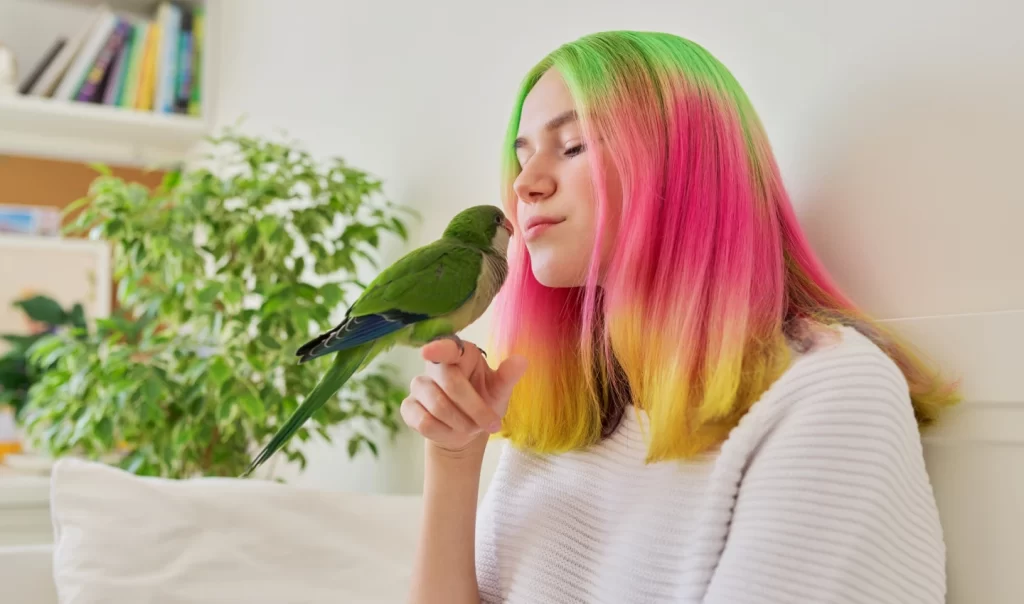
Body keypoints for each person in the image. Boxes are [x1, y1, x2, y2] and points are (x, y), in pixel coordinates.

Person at [402, 30, 959, 604]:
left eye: (572, 147)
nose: (524, 184)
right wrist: (452, 460)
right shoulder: (572, 402)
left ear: (680, 167)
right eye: (521, 157)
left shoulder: (831, 395)